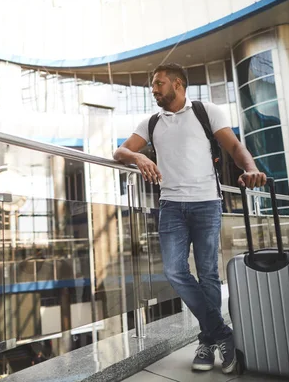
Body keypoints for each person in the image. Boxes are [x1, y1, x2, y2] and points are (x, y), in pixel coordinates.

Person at [113, 63, 266, 374]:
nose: (153, 90)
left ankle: (207, 343)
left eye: (159, 83)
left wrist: (249, 168)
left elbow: (235, 146)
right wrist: (140, 155)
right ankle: (223, 335)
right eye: (152, 85)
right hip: (170, 206)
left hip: (206, 202)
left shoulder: (206, 111)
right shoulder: (151, 122)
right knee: (174, 271)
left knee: (209, 274)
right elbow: (120, 152)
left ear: (178, 84)